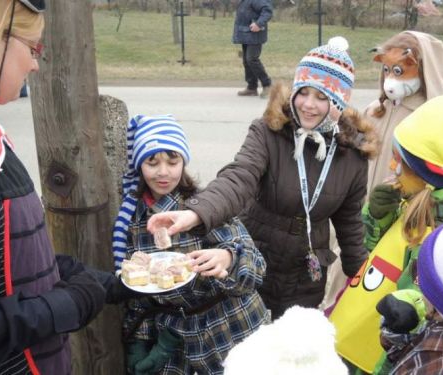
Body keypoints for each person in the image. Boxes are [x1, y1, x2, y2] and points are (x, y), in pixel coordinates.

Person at [147, 37, 380, 321]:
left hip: (305, 274)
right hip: (253, 259)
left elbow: (350, 227)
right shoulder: (268, 132)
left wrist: (367, 286)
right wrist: (196, 212)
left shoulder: (352, 156)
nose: (308, 105)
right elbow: (238, 177)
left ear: (340, 102)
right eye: (303, 92)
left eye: (322, 97)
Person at [0, 1, 135, 374]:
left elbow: (12, 263)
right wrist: (65, 306)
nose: (36, 64)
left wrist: (114, 284)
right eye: (34, 48)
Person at [112, 114, 268, 375]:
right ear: (140, 166)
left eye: (172, 162)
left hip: (232, 324)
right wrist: (139, 338)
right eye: (152, 163)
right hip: (178, 337)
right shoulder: (133, 221)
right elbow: (139, 290)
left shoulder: (203, 206)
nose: (163, 172)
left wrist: (228, 259)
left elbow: (257, 268)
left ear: (183, 162)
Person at [329, 94, 443, 374]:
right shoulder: (419, 201)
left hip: (398, 355)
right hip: (367, 336)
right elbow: (379, 260)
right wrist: (378, 217)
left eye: (402, 162)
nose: (392, 168)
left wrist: (411, 312)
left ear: (433, 175)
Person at [364, 31, 443, 193]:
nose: (389, 80)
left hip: (404, 210)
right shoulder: (373, 111)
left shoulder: (429, 119)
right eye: (386, 69)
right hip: (363, 210)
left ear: (425, 70)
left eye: (398, 71)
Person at [390, 222, 443, 374]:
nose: (419, 289)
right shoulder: (440, 323)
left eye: (421, 281)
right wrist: (395, 330)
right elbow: (408, 354)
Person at [233, 0, 273, 98]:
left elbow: (267, 11)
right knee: (247, 61)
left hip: (255, 35)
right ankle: (252, 88)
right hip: (246, 34)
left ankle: (267, 85)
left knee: (252, 59)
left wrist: (259, 24)